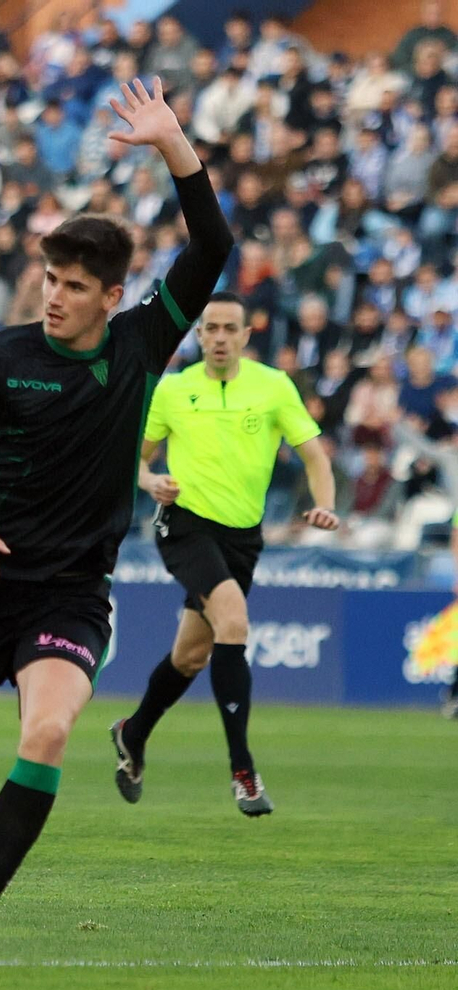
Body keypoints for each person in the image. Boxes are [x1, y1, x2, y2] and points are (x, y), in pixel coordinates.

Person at [0, 78, 234, 968]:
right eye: (50, 280)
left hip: (71, 593)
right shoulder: (0, 356)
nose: (56, 297)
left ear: (113, 296)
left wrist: (173, 144)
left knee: (46, 733)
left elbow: (213, 245)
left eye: (75, 286)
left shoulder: (141, 344)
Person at [117, 293, 338, 815]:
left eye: (229, 328)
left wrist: (326, 505)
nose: (219, 337)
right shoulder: (174, 390)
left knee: (191, 656)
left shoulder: (273, 386)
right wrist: (149, 481)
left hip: (243, 537)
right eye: (210, 328)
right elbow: (131, 459)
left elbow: (315, 457)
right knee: (233, 622)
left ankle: (133, 733)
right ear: (199, 335)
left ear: (245, 336)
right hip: (185, 526)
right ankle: (243, 771)